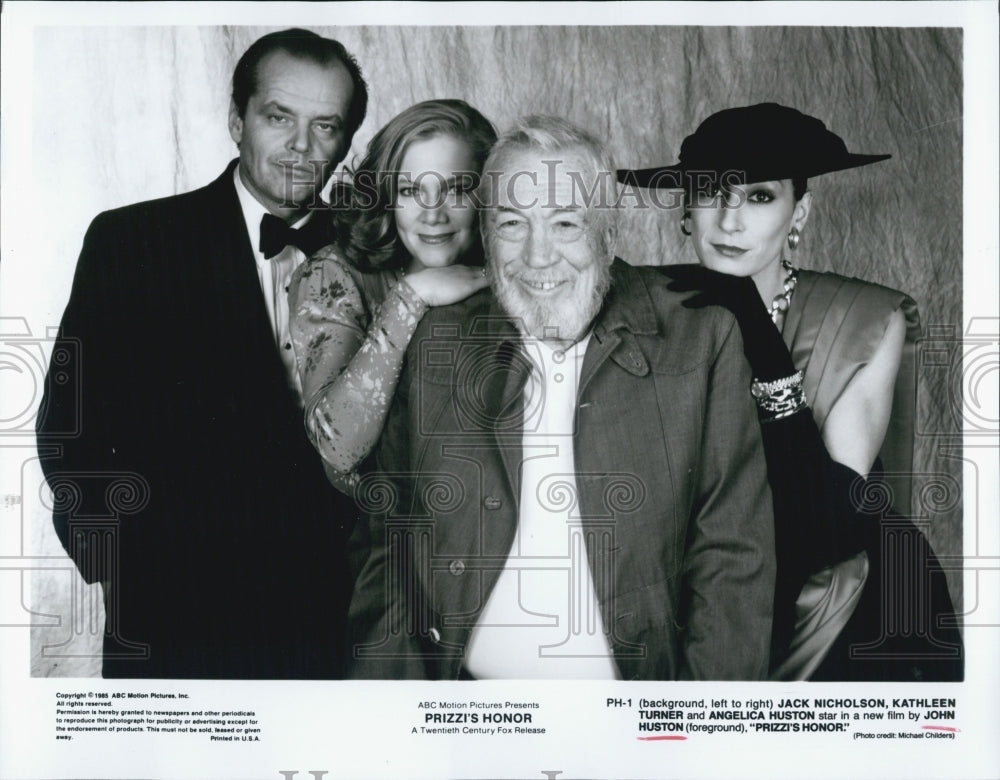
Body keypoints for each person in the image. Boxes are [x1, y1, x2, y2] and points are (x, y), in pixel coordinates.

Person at [346, 116, 775, 681]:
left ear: (608, 233)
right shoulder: (436, 341)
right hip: (464, 723)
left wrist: (691, 745)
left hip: (631, 731)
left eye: (566, 223)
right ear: (485, 233)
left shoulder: (699, 339)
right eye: (511, 224)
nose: (538, 255)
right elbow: (390, 547)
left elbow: (733, 561)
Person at [36, 29, 368, 678]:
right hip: (176, 626)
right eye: (279, 118)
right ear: (235, 119)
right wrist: (126, 568)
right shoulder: (132, 243)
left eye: (325, 126)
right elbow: (70, 428)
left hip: (342, 631)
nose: (302, 147)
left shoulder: (380, 257)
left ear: (347, 140)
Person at [618, 102, 963, 681]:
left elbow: (828, 529)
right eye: (712, 192)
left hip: (841, 604)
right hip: (687, 593)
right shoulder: (639, 310)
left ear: (798, 212)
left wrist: (755, 329)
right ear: (686, 206)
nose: (730, 220)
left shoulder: (865, 318)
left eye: (759, 197)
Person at [289, 99, 494, 496]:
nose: (433, 215)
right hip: (380, 533)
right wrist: (411, 297)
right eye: (411, 190)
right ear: (386, 196)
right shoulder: (331, 274)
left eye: (456, 189)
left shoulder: (509, 266)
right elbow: (338, 451)